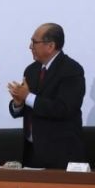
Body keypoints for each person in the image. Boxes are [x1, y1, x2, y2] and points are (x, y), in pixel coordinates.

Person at [8, 23, 85, 169]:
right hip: (31, 152)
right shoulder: (31, 70)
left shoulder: (72, 70)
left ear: (50, 46)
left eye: (34, 42)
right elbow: (27, 107)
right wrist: (18, 103)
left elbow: (63, 109)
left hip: (60, 154)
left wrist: (28, 97)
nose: (30, 47)